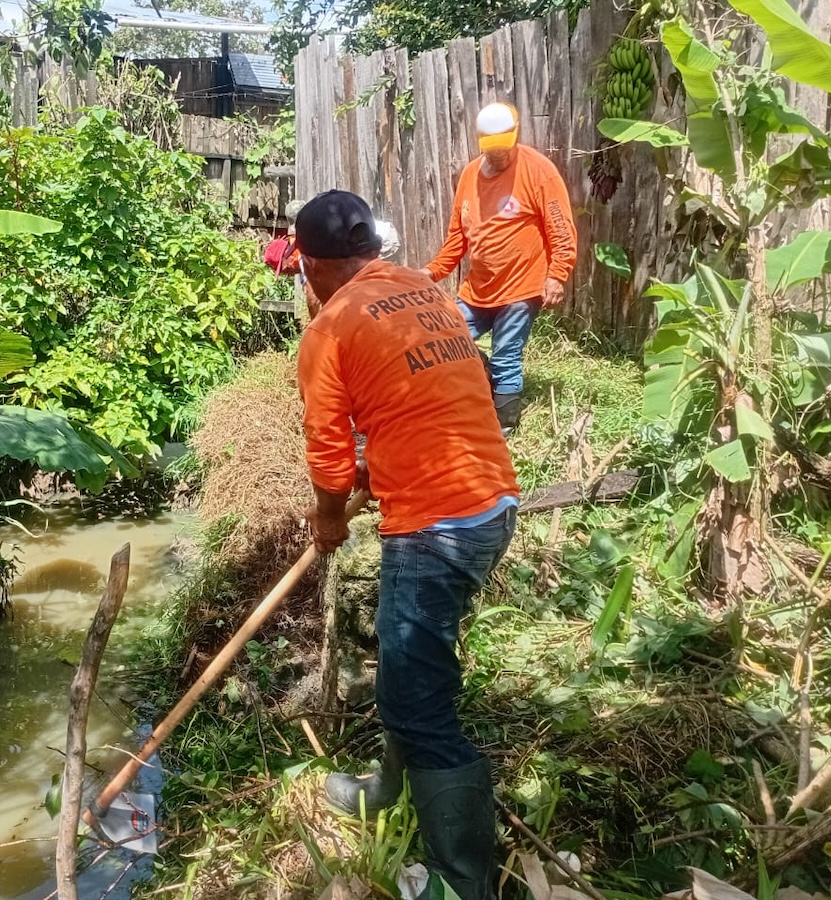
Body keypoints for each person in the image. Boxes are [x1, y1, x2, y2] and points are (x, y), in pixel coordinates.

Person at [295, 189, 519, 900]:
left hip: (436, 529)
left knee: (419, 705)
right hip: (491, 504)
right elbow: (431, 394)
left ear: (310, 266)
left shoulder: (331, 328)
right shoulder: (424, 291)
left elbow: (328, 457)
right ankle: (386, 789)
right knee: (407, 668)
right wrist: (381, 464)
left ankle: (461, 883)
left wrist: (330, 518)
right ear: (371, 248)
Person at [421, 101, 577, 436]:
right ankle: (481, 386)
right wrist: (431, 272)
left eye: (504, 149)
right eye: (492, 150)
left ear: (515, 134)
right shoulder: (469, 176)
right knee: (445, 339)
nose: (499, 156)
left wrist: (557, 274)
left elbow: (561, 228)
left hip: (522, 286)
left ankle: (504, 426)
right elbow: (457, 237)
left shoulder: (539, 170)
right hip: (478, 288)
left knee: (506, 353)